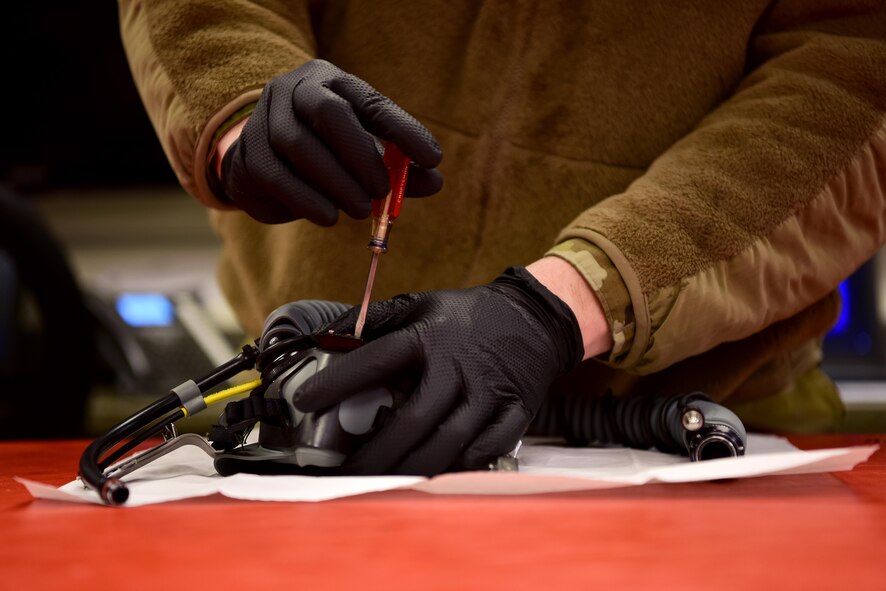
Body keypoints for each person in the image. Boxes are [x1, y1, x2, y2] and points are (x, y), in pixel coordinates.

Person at [119, 1, 886, 474]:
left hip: (709, 432)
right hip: (324, 431)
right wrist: (234, 99)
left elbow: (856, 68)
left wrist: (566, 304)